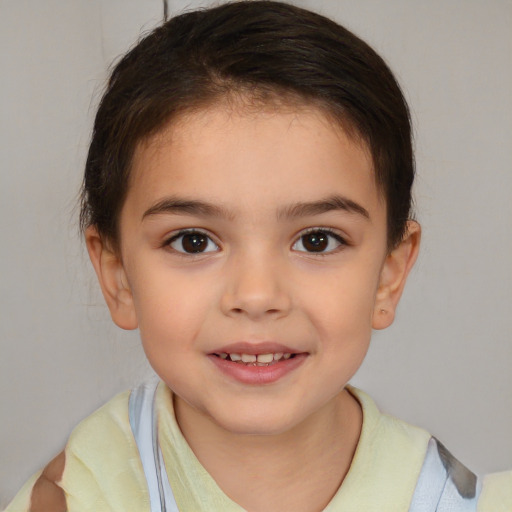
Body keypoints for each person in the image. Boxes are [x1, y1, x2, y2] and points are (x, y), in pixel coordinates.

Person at [5, 1, 510, 511]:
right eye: (193, 241)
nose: (256, 295)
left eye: (317, 240)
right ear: (118, 277)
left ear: (389, 275)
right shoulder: (72, 498)